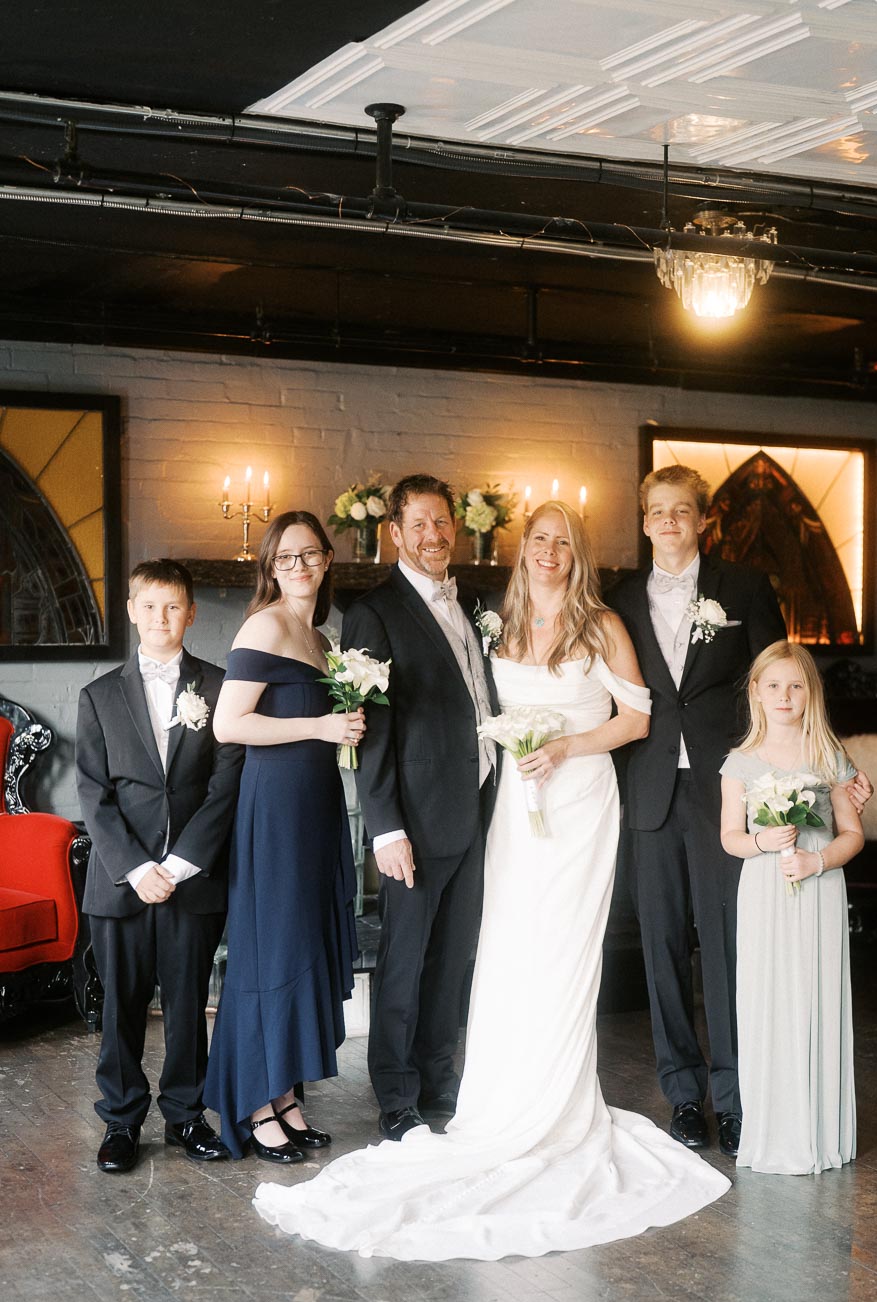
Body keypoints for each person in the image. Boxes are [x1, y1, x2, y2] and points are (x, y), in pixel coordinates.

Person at [252, 501, 731, 1261]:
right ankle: (485, 1099)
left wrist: (570, 745)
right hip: (508, 812)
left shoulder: (600, 624)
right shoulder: (496, 624)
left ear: (577, 554)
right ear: (520, 551)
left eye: (562, 542)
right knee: (507, 952)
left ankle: (560, 1108)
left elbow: (636, 718)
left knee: (565, 953)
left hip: (577, 805)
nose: (548, 552)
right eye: (537, 540)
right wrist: (389, 822)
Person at [609, 465, 871, 1159]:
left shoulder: (744, 588)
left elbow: (791, 681)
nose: (669, 522)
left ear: (703, 521)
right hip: (650, 791)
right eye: (657, 512)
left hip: (732, 790)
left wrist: (838, 766)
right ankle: (685, 1097)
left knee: (729, 947)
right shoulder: (619, 599)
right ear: (644, 523)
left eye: (682, 511)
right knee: (661, 947)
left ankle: (736, 1093)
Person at [336, 473, 499, 1141]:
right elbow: (368, 731)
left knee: (453, 957)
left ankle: (439, 1083)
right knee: (405, 960)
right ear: (394, 533)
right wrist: (387, 828)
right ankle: (397, 1097)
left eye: (442, 523)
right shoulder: (373, 612)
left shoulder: (474, 605)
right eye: (420, 524)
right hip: (416, 819)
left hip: (479, 809)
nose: (434, 535)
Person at [203, 511, 364, 1163]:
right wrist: (322, 729)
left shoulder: (320, 635)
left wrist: (344, 729)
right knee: (270, 952)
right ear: (271, 567)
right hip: (274, 808)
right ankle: (253, 1103)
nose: (299, 566)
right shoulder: (266, 624)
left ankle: (286, 1095)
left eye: (311, 554)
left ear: (327, 560)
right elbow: (228, 724)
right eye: (286, 557)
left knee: (300, 945)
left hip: (316, 804)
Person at [76, 559, 243, 1173]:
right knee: (120, 1006)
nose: (160, 618)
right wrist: (137, 868)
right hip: (121, 884)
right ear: (131, 610)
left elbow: (225, 788)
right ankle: (121, 1122)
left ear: (191, 614)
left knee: (186, 1002)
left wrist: (177, 864)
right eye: (149, 606)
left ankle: (185, 1115)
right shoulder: (98, 696)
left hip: (190, 880)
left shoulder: (220, 688)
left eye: (173, 607)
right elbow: (93, 794)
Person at [721, 641, 863, 1174]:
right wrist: (764, 842)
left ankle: (820, 1133)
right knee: (768, 999)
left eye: (796, 685)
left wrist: (817, 860)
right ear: (756, 692)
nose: (785, 695)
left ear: (811, 694)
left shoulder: (829, 756)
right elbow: (730, 838)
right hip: (763, 893)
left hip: (818, 890)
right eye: (774, 685)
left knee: (814, 995)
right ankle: (773, 1128)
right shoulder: (738, 762)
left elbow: (852, 834)